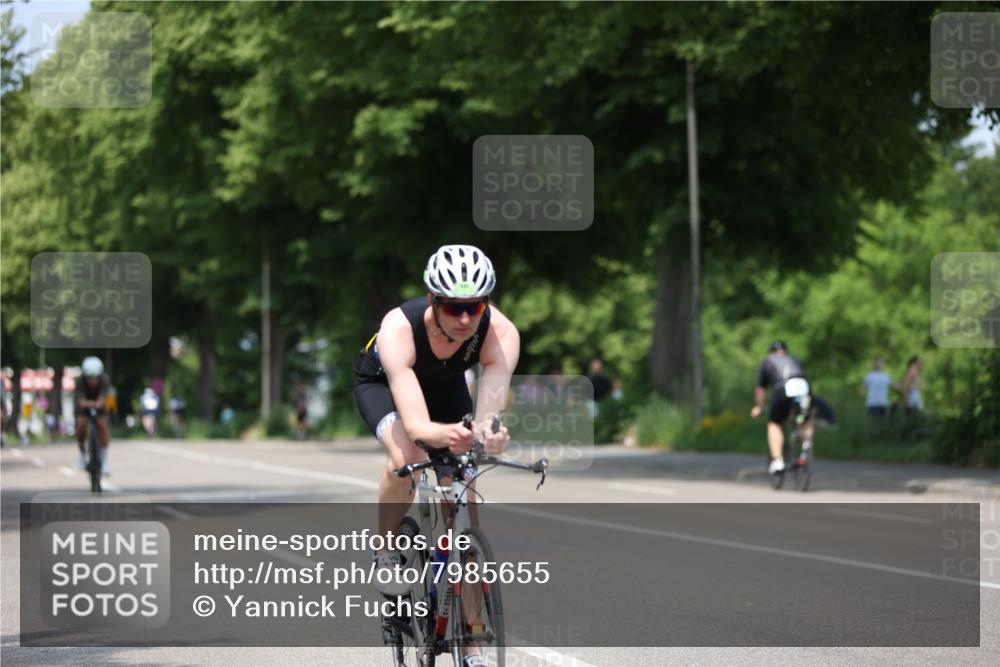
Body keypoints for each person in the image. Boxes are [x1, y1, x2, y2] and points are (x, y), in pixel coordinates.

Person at [354, 245, 518, 666]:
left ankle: (472, 645)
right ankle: (386, 547)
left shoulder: (500, 332)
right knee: (406, 457)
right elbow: (417, 427)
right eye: (453, 308)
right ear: (432, 300)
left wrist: (490, 432)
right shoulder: (399, 329)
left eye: (475, 307)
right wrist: (447, 434)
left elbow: (489, 413)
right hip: (385, 385)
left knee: (462, 495)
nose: (465, 319)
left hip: (445, 387)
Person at [750, 341, 813, 475]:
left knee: (775, 424)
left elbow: (761, 390)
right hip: (804, 388)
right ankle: (805, 446)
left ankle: (778, 461)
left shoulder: (767, 361)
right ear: (786, 351)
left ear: (771, 352)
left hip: (784, 389)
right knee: (804, 419)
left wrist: (759, 407)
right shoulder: (795, 359)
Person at [74, 356, 111, 475]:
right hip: (84, 407)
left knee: (103, 426)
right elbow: (81, 401)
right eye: (90, 378)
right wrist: (89, 403)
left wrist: (98, 402)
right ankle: (81, 455)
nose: (93, 381)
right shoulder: (80, 381)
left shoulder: (105, 380)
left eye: (95, 378)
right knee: (82, 425)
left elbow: (103, 398)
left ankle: (104, 461)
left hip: (99, 406)